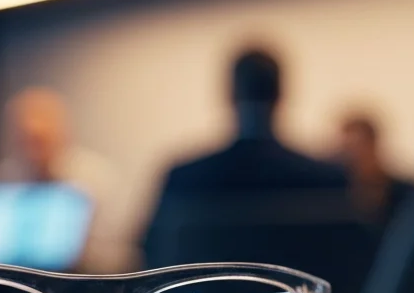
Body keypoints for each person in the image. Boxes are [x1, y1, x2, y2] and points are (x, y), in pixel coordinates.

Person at [143, 47, 348, 259]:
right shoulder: (329, 180)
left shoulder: (183, 179)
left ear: (230, 94)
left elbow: (151, 254)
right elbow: (349, 260)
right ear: (280, 94)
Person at [0, 87, 136, 273]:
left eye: (40, 140)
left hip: (80, 281)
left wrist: (80, 250)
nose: (32, 151)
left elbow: (118, 255)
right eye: (24, 138)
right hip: (5, 283)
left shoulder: (96, 180)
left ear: (63, 133)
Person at [337, 112, 414, 227]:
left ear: (373, 146)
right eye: (346, 150)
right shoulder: (336, 193)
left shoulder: (408, 193)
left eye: (359, 147)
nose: (353, 156)